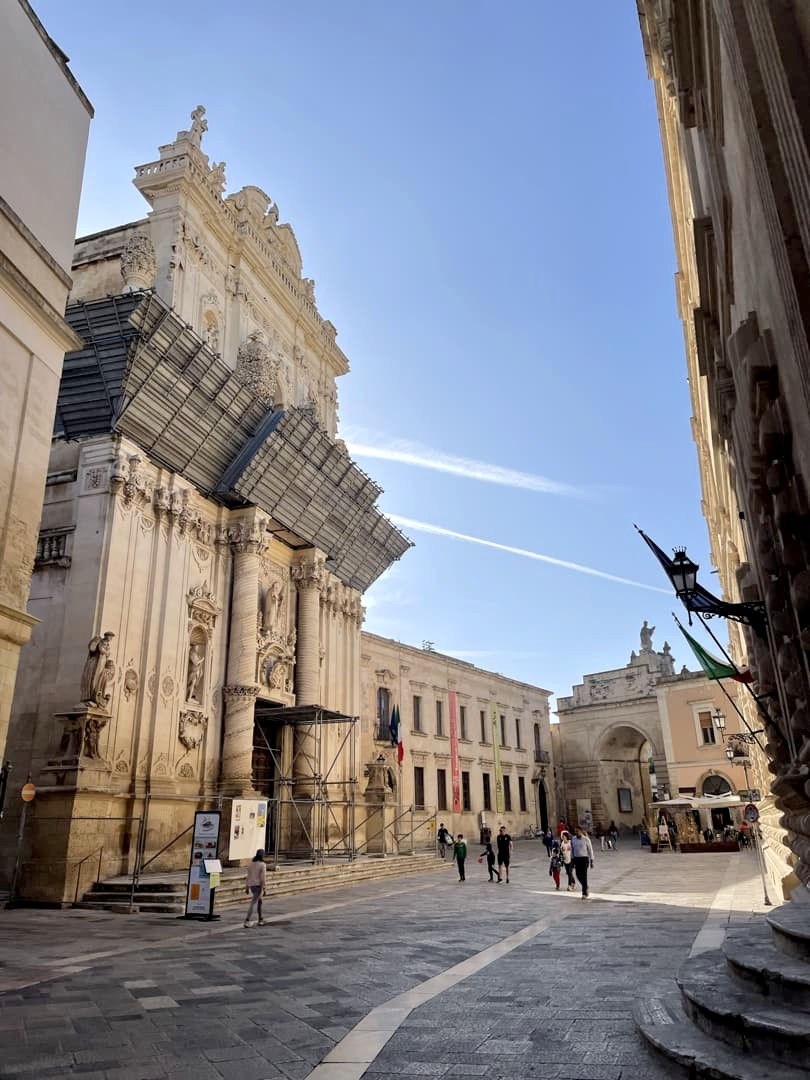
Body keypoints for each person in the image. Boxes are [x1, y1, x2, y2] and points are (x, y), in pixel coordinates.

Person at [244, 849, 267, 927]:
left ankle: (261, 919)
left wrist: (247, 887)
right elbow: (263, 877)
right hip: (258, 886)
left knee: (260, 902)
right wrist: (264, 888)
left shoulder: (251, 864)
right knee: (253, 903)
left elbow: (248, 876)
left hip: (252, 886)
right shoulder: (262, 864)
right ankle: (247, 920)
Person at [572, 827, 595, 899]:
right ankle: (585, 886)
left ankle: (584, 893)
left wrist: (592, 860)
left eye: (577, 831)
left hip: (584, 859)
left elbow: (590, 850)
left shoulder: (586, 839)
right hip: (577, 859)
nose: (576, 832)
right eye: (575, 831)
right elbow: (572, 850)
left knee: (584, 875)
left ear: (581, 831)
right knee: (578, 875)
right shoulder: (573, 839)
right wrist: (572, 859)